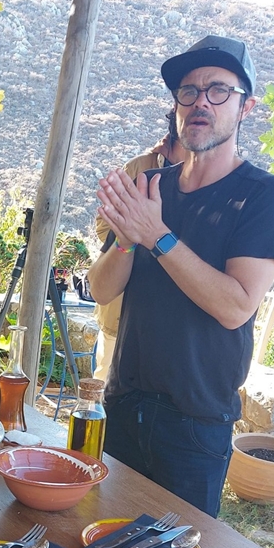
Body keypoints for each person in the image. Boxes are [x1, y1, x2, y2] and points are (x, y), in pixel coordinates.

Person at [87, 35, 274, 548]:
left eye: (216, 91)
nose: (198, 104)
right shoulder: (155, 184)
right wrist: (129, 235)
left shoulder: (265, 197)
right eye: (187, 92)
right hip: (129, 394)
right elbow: (99, 287)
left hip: (197, 410)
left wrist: (160, 235)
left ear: (245, 105)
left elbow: (236, 306)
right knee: (116, 533)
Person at [92, 111, 185, 381]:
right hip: (120, 302)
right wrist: (136, 240)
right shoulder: (139, 168)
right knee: (105, 383)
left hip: (167, 313)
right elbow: (104, 225)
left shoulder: (203, 180)